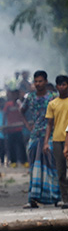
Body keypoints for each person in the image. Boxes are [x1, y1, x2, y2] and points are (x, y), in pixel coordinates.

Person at [22, 70, 59, 208]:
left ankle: (56, 197)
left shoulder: (53, 97)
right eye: (36, 81)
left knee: (52, 166)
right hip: (35, 136)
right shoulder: (30, 97)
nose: (38, 84)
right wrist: (28, 126)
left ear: (46, 82)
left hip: (52, 135)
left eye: (40, 81)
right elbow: (22, 111)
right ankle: (33, 198)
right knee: (34, 167)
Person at [48, 75, 68, 208]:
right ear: (56, 87)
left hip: (66, 140)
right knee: (60, 171)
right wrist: (45, 141)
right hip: (57, 139)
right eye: (59, 85)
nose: (62, 87)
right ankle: (65, 199)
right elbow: (49, 124)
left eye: (64, 84)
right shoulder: (52, 103)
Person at [3, 89, 29, 167]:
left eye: (16, 95)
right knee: (11, 146)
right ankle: (13, 162)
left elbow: (22, 114)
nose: (14, 96)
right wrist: (4, 126)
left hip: (19, 129)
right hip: (10, 129)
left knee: (21, 145)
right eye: (13, 95)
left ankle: (24, 161)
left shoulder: (19, 104)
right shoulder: (8, 104)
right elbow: (5, 115)